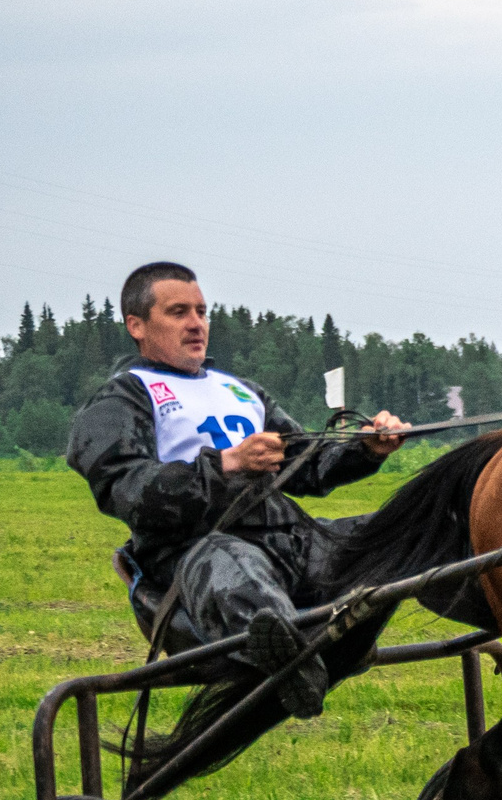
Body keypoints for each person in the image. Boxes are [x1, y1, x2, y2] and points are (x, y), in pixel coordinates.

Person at [68, 261, 406, 718]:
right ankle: (297, 663)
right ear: (137, 325)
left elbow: (309, 464)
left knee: (397, 530)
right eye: (178, 312)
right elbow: (126, 488)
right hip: (194, 558)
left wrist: (368, 447)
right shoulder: (121, 399)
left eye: (202, 311)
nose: (196, 324)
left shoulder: (242, 391)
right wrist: (226, 465)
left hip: (289, 543)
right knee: (231, 559)